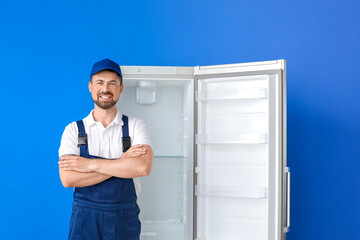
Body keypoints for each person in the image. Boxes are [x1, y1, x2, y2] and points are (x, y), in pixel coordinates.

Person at [58, 58, 153, 240]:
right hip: (84, 218)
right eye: (100, 83)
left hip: (123, 218)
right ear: (90, 87)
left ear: (120, 89)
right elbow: (68, 178)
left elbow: (142, 168)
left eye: (112, 83)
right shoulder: (73, 130)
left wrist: (88, 165)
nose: (105, 89)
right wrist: (122, 164)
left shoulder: (136, 126)